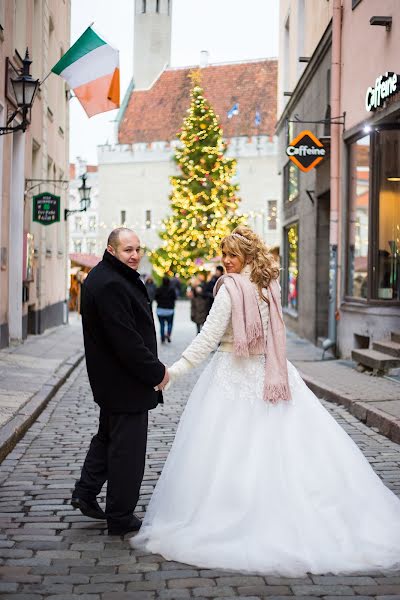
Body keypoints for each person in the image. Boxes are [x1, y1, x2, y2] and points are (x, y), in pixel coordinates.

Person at [131, 225, 400, 575]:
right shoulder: (266, 286)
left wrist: (174, 372)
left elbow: (208, 338)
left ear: (246, 256)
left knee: (228, 450)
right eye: (224, 254)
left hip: (236, 371)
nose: (226, 261)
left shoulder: (230, 289)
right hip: (274, 371)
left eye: (232, 255)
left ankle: (236, 515)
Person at [71, 227, 169, 536]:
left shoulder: (105, 277)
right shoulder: (112, 283)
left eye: (138, 249)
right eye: (128, 249)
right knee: (127, 451)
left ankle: (85, 492)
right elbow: (125, 341)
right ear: (111, 250)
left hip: (112, 383)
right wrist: (157, 372)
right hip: (125, 383)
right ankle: (120, 515)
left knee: (107, 439)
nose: (135, 255)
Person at [155, 276, 176, 343]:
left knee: (162, 325)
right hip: (169, 310)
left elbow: (156, 297)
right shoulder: (172, 289)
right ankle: (168, 334)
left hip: (160, 309)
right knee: (170, 323)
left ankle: (162, 337)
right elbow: (174, 298)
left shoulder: (159, 289)